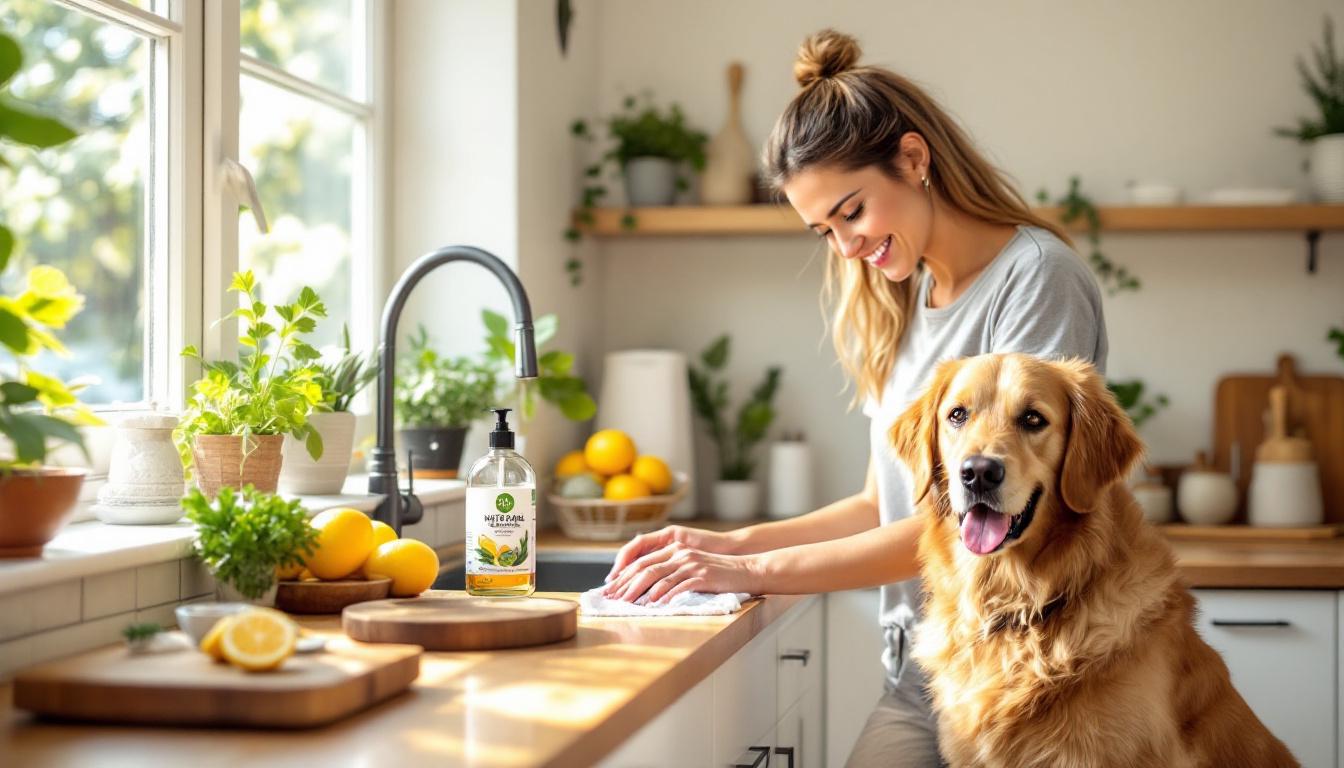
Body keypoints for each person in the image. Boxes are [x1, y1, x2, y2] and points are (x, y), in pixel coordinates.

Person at [600, 28, 1107, 767]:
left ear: (912, 158)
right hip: (927, 667)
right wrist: (725, 544)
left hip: (1037, 672)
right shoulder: (905, 297)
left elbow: (972, 524)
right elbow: (884, 506)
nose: (845, 247)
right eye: (823, 230)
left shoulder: (1035, 280)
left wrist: (748, 572)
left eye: (852, 212)